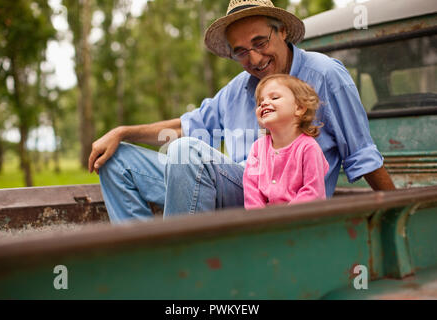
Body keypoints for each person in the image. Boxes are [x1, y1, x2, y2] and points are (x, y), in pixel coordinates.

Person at [89, 0, 395, 223]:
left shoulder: (325, 75)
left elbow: (362, 154)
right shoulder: (238, 88)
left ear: (283, 32)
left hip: (284, 203)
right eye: (241, 51)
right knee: (116, 161)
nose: (254, 57)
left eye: (260, 42)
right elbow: (188, 127)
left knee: (187, 153)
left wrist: (398, 214)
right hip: (236, 191)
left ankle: (177, 265)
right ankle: (144, 260)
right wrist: (123, 132)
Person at [243, 74, 329, 209]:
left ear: (299, 108)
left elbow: (313, 192)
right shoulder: (257, 149)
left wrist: (282, 217)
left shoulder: (308, 148)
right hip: (265, 222)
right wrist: (259, 218)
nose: (264, 103)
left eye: (274, 97)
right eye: (260, 102)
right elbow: (251, 190)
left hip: (301, 220)